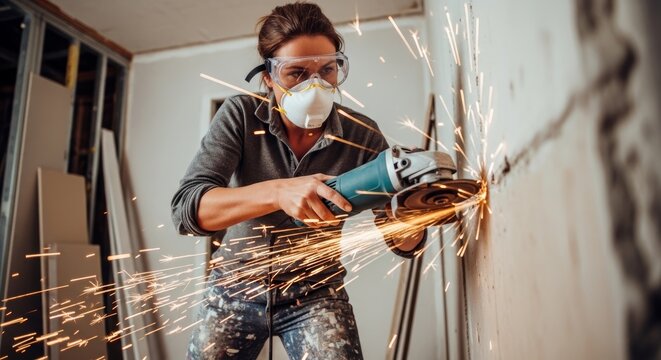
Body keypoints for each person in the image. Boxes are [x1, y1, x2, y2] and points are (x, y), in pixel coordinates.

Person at [171, 2, 426, 359]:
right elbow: (187, 211)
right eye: (296, 74)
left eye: (327, 70)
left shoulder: (362, 134)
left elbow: (403, 242)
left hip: (316, 293)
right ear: (268, 77)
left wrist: (415, 213)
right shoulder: (241, 115)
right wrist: (278, 192)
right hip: (234, 287)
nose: (316, 85)